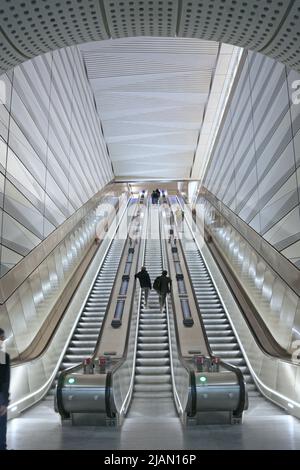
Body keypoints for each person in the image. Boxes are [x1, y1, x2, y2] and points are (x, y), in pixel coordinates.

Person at [0, 328, 10, 451]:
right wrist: (4, 402)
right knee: (1, 425)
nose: (2, 341)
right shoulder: (2, 356)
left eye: (3, 339)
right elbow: (4, 380)